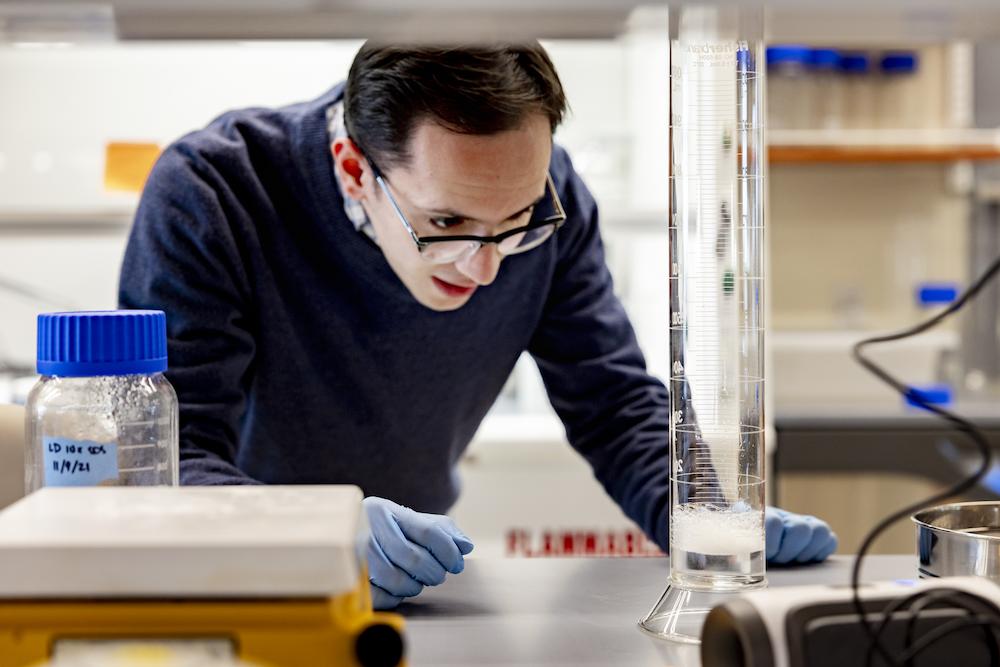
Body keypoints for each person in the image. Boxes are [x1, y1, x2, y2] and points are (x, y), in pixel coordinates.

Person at [119, 42, 837, 610]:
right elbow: (163, 458)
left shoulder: (553, 202)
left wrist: (701, 513)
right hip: (241, 586)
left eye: (516, 222)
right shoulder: (213, 194)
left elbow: (613, 403)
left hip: (419, 592)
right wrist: (311, 533)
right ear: (353, 168)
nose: (486, 267)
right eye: (445, 223)